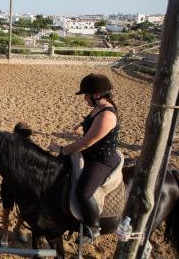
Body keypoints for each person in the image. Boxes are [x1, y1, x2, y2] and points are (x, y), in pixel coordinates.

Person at [49, 73, 120, 244]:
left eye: (86, 95)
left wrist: (61, 149)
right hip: (90, 154)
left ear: (97, 95)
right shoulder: (98, 108)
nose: (85, 99)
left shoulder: (107, 115)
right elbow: (90, 121)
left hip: (101, 160)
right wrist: (82, 125)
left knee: (83, 193)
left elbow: (85, 143)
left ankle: (93, 228)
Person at [0, 122, 31, 248]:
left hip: (24, 186)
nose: (26, 140)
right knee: (6, 211)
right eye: (24, 137)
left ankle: (17, 228)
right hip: (8, 186)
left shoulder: (30, 149)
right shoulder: (5, 151)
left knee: (24, 212)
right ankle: (5, 234)